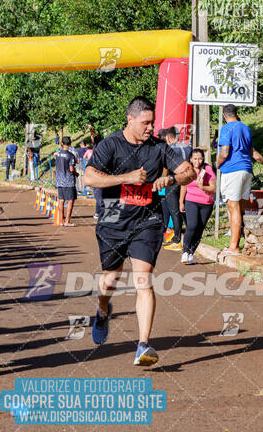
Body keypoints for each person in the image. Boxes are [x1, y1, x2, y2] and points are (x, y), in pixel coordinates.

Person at [83, 96, 195, 366]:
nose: (150, 128)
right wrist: (126, 177)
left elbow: (189, 172)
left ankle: (143, 345)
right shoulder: (110, 144)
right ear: (130, 119)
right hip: (112, 216)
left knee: (143, 279)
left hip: (148, 218)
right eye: (145, 122)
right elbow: (88, 177)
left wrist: (173, 178)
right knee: (111, 279)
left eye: (152, 122)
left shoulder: (158, 147)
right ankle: (102, 310)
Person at [217, 104, 263, 256]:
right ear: (237, 113)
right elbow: (254, 153)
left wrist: (217, 163)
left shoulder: (226, 128)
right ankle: (244, 242)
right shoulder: (245, 128)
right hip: (246, 170)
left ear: (224, 116)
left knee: (232, 208)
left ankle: (233, 247)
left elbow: (224, 152)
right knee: (241, 209)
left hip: (232, 170)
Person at [158, 127, 192, 251]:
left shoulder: (169, 149)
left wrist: (164, 179)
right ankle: (190, 234)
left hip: (173, 181)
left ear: (168, 137)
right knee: (183, 207)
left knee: (174, 211)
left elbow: (166, 167)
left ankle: (177, 239)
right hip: (186, 180)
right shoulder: (187, 147)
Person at [180, 149, 216, 264]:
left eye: (200, 158)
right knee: (192, 226)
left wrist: (203, 187)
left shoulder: (208, 169)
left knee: (199, 230)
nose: (197, 161)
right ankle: (185, 252)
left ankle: (191, 253)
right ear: (190, 159)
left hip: (206, 203)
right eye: (195, 158)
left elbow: (213, 188)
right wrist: (181, 202)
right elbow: (183, 186)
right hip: (191, 201)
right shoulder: (187, 170)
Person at [55, 136, 78, 226]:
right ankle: (67, 221)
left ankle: (61, 221)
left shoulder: (58, 154)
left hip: (60, 180)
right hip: (68, 180)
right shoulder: (70, 155)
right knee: (70, 200)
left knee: (61, 200)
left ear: (62, 143)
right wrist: (76, 174)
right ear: (70, 144)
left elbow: (56, 167)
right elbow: (71, 168)